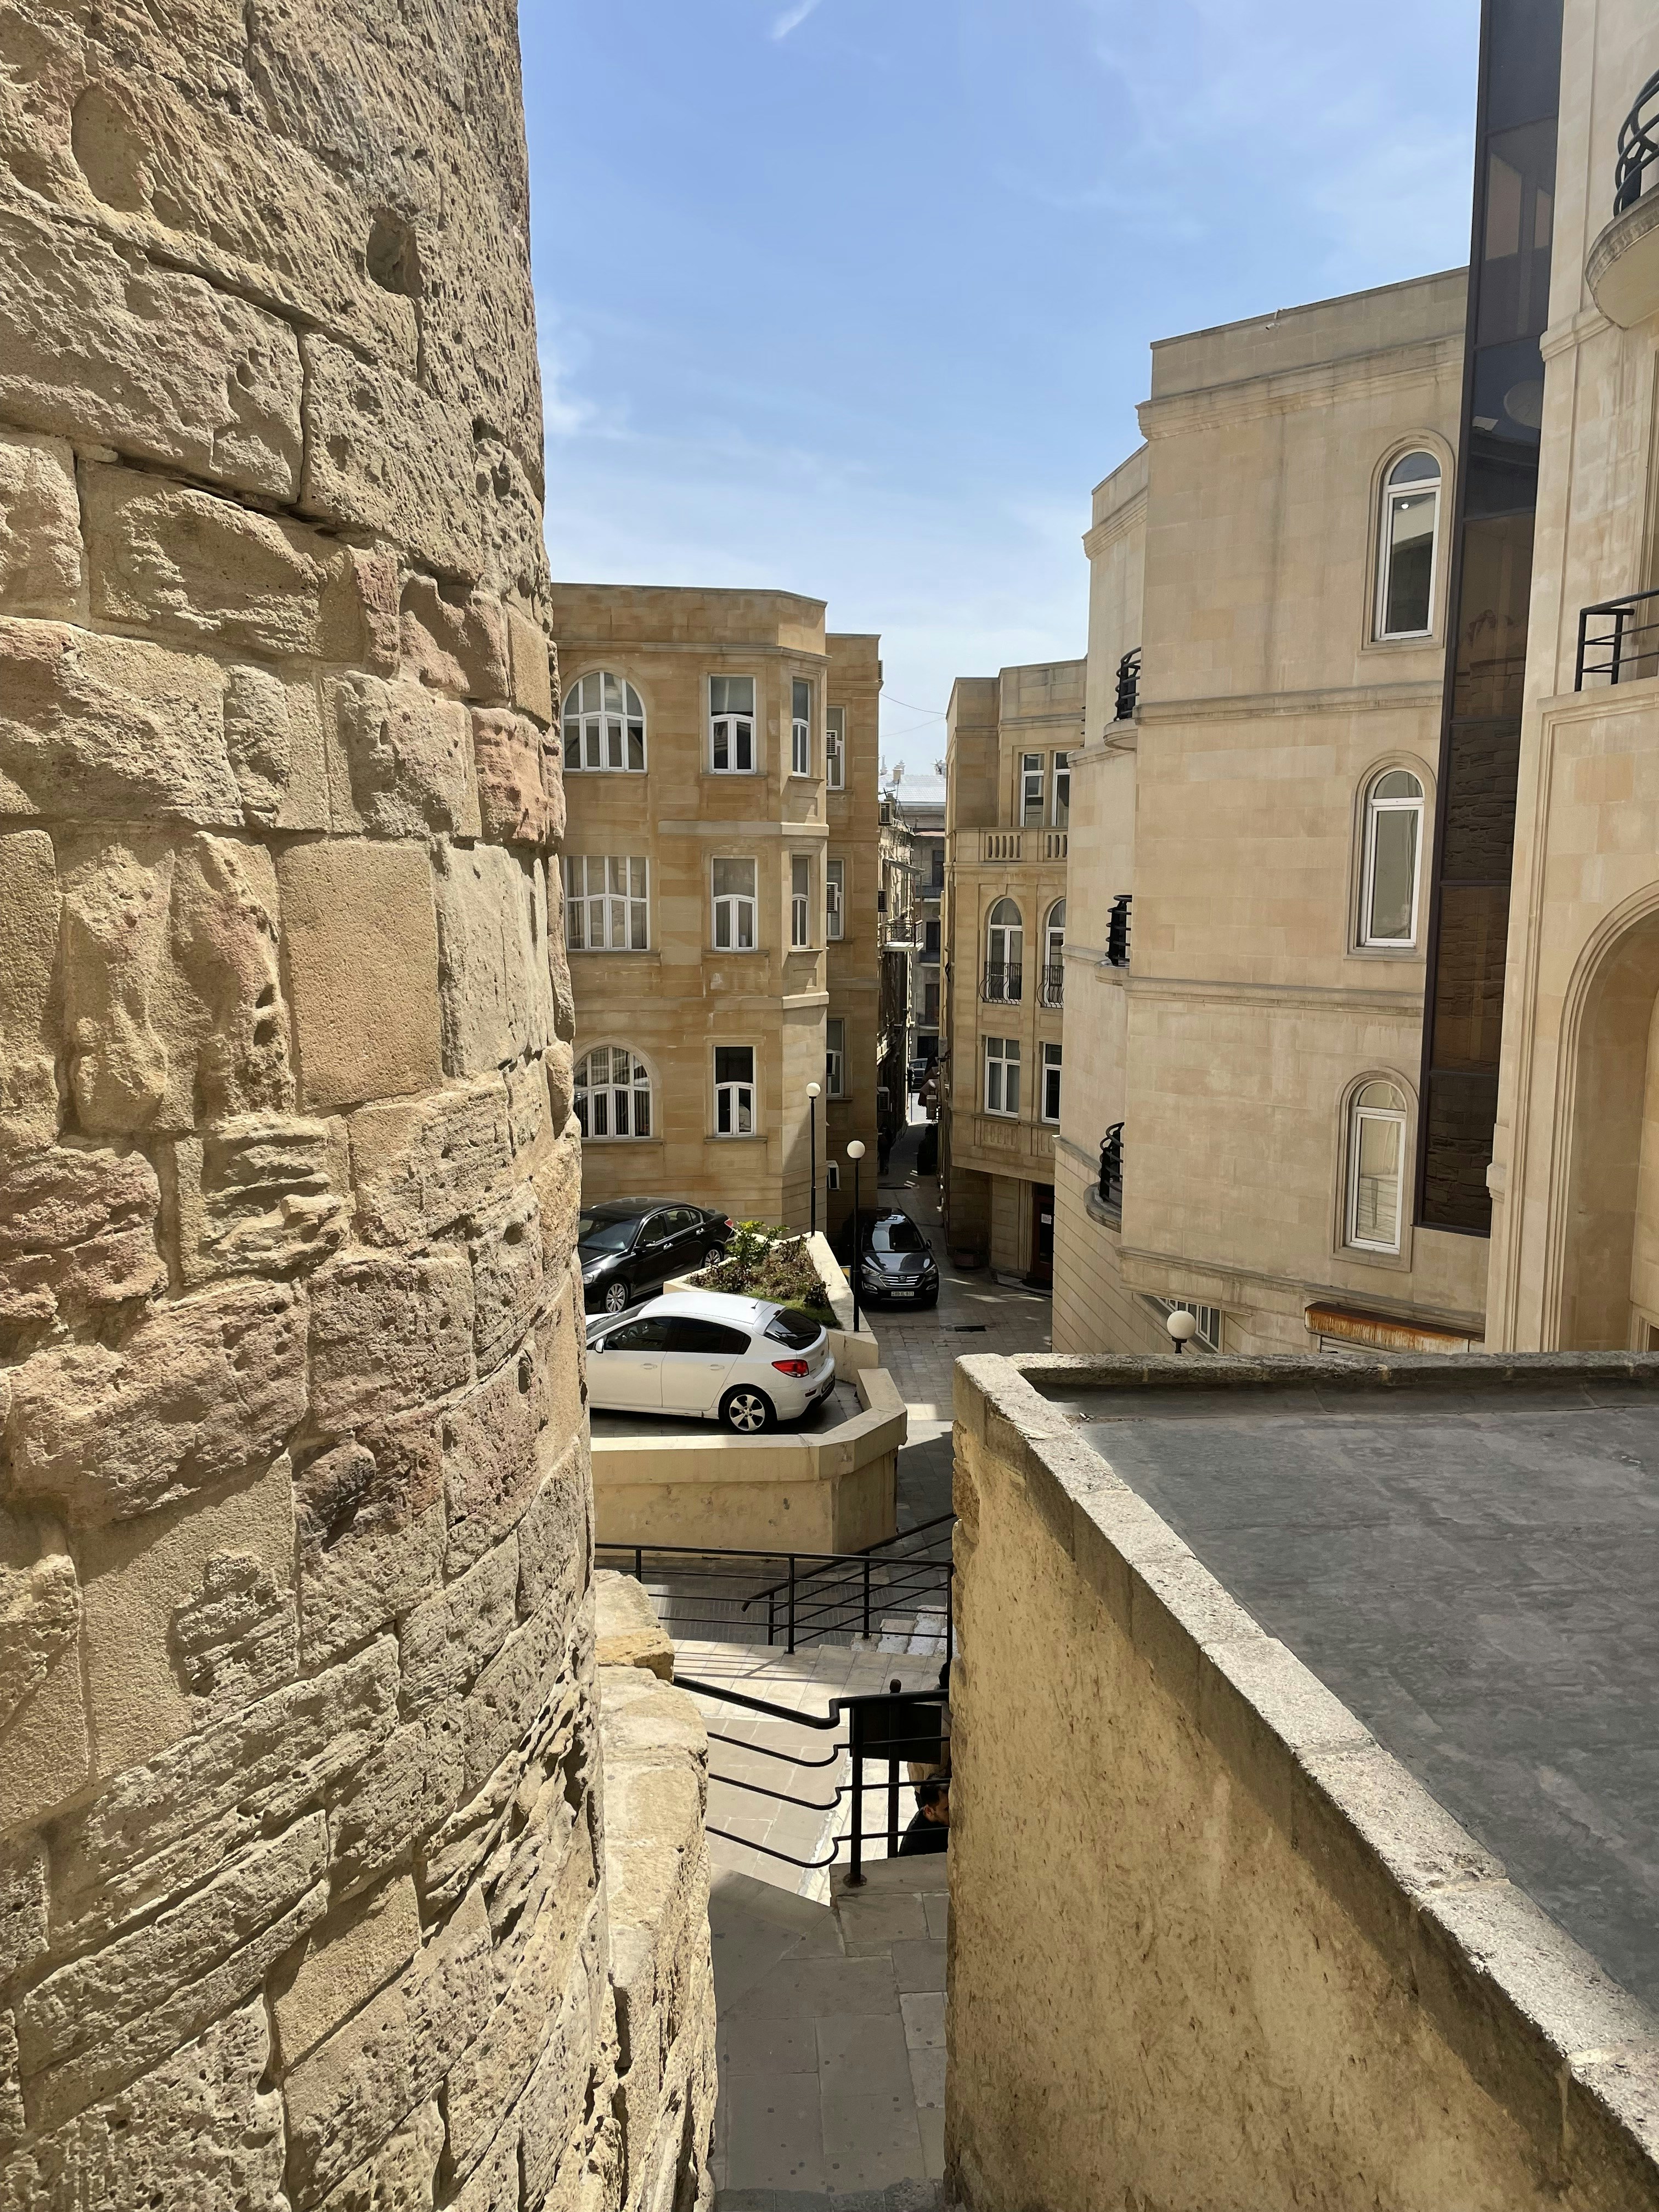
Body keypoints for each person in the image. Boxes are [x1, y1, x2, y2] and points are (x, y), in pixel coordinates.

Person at [898, 1775, 949, 1855]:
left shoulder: (935, 1820)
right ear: (929, 1811)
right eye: (947, 1809)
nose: (953, 1812)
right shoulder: (916, 1845)